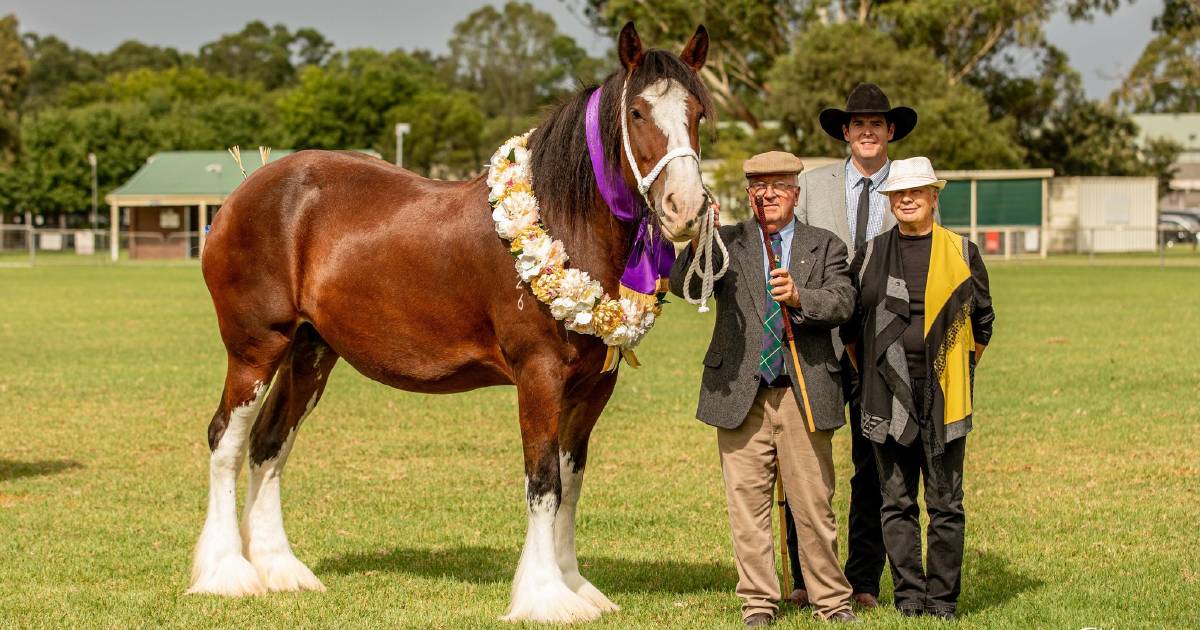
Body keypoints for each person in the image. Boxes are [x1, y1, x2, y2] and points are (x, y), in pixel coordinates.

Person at [670, 151, 858, 626]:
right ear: (749, 194)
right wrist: (699, 239)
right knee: (747, 507)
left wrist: (800, 298)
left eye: (778, 186)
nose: (768, 194)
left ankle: (831, 602)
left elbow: (843, 302)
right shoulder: (729, 241)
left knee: (813, 505)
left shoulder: (826, 245)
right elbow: (684, 286)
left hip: (804, 393)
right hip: (739, 394)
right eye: (759, 187)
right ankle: (758, 603)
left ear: (796, 193)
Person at [782, 82, 919, 610]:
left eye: (876, 124)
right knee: (804, 466)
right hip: (816, 342)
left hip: (882, 347)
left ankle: (862, 579)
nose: (867, 131)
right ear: (845, 132)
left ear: (889, 133)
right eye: (857, 124)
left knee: (874, 465)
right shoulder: (811, 186)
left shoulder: (909, 188)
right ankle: (804, 577)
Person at [841, 157, 995, 620]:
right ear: (890, 200)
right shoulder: (868, 254)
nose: (907, 199)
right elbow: (851, 329)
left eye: (917, 192)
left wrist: (951, 369)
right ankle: (909, 596)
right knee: (896, 501)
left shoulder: (962, 252)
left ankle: (943, 600)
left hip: (946, 394)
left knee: (946, 503)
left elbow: (983, 324)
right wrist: (877, 372)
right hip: (884, 394)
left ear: (933, 196)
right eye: (899, 193)